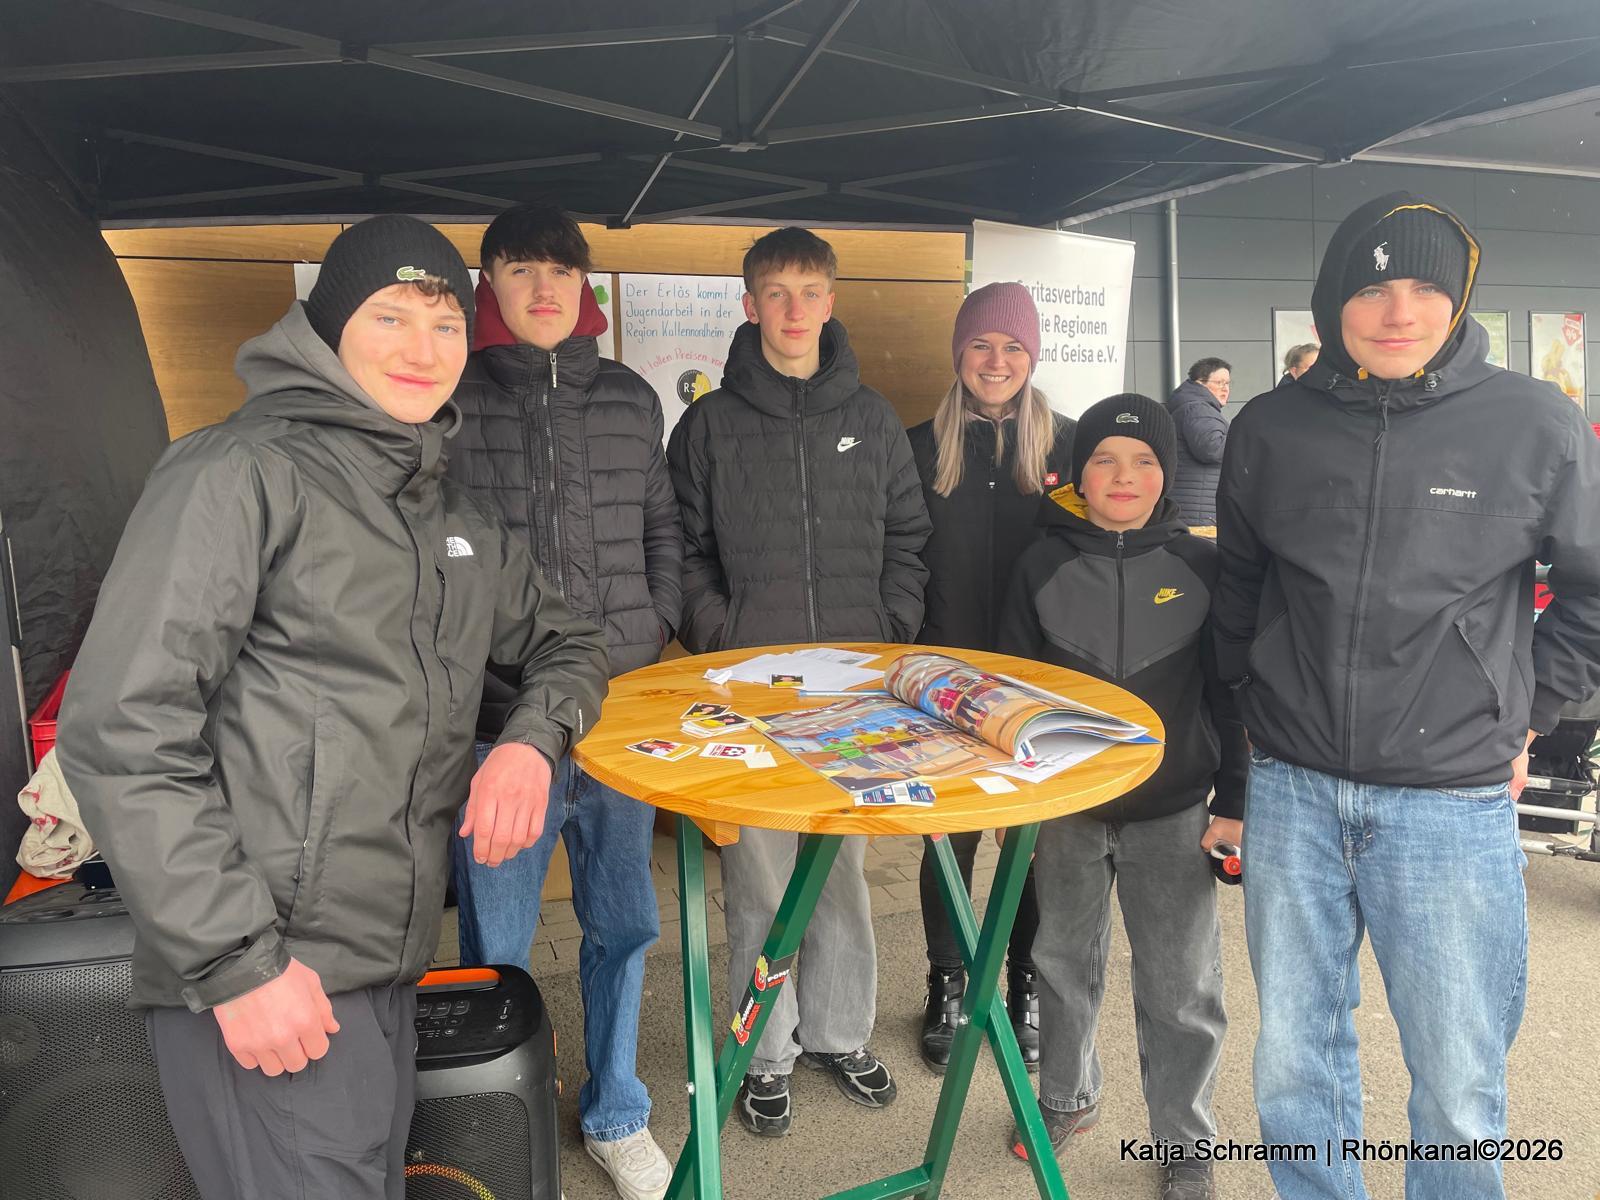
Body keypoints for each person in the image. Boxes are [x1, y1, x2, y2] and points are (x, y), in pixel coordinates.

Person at [55, 216, 611, 1200]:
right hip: (270, 970)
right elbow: (124, 728)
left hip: (385, 963)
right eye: (389, 316)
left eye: (444, 323)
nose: (421, 348)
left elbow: (573, 642)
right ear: (324, 328)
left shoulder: (448, 517)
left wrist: (532, 741)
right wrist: (236, 963)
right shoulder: (237, 473)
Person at [1212, 192, 1600, 1200]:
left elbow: (1594, 592)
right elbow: (1239, 595)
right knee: (1293, 1063)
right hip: (1293, 788)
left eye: (1425, 288)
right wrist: (1246, 734)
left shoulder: (1535, 423)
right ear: (1332, 301)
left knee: (1458, 1081)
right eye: (1372, 288)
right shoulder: (1268, 428)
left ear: (1459, 299)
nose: (1397, 311)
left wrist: (1530, 712)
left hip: (1448, 800)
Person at [668, 226, 931, 1138]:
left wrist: (889, 631)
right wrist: (725, 637)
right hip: (754, 693)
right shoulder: (708, 425)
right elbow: (684, 551)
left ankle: (838, 1033)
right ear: (749, 304)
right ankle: (766, 1050)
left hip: (854, 693)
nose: (793, 309)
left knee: (844, 871)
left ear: (831, 301)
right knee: (759, 879)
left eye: (809, 291)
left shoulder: (874, 418)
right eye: (775, 292)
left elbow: (909, 539)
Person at [445, 203, 682, 1200]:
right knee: (496, 948)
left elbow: (662, 526)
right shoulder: (450, 401)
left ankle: (616, 1109)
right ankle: (503, 1114)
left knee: (623, 924)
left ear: (584, 285)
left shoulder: (628, 397)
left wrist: (656, 621)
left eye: (561, 269)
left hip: (618, 723)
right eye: (520, 268)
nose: (543, 287)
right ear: (489, 283)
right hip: (500, 731)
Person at [997, 393, 1245, 1200]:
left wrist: (1235, 801)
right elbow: (1010, 698)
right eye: (1104, 458)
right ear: (1079, 474)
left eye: (1143, 461)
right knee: (1062, 964)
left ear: (1167, 474)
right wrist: (1017, 805)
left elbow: (1231, 696)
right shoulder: (1039, 565)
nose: (1123, 475)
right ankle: (1066, 1099)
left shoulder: (1202, 566)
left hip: (1175, 813)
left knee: (1181, 988)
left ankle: (1185, 1141)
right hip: (1066, 811)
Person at [906, 281, 1075, 1073]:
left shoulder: (1069, 446)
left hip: (1039, 684)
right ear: (958, 353)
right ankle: (948, 982)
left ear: (1032, 356)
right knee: (950, 839)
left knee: (1032, 840)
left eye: (1013, 347)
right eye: (981, 344)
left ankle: (1025, 982)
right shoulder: (917, 447)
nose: (996, 361)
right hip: (944, 679)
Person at [1164, 357, 1231, 529]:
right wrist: (1243, 440)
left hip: (1191, 504)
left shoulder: (1190, 406)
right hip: (1199, 510)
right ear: (1200, 383)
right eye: (1219, 383)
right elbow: (1211, 448)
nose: (1225, 389)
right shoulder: (1199, 409)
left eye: (1227, 383)